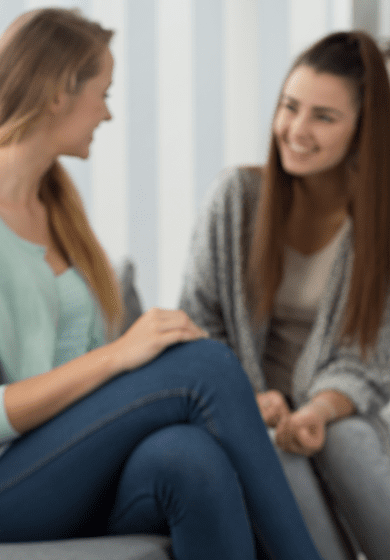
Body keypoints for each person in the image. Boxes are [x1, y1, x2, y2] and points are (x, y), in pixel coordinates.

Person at [0, 8, 325, 560]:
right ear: (60, 91)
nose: (107, 113)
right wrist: (120, 358)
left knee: (189, 458)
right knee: (203, 365)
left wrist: (239, 409)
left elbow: (96, 392)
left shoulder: (56, 204)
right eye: (102, 92)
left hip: (69, 462)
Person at [180, 31, 390, 560]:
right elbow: (198, 327)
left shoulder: (380, 227)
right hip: (242, 408)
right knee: (274, 449)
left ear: (364, 131)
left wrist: (317, 410)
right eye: (290, 107)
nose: (296, 130)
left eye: (324, 116)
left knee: (346, 439)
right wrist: (247, 400)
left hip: (333, 409)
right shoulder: (236, 200)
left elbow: (371, 360)